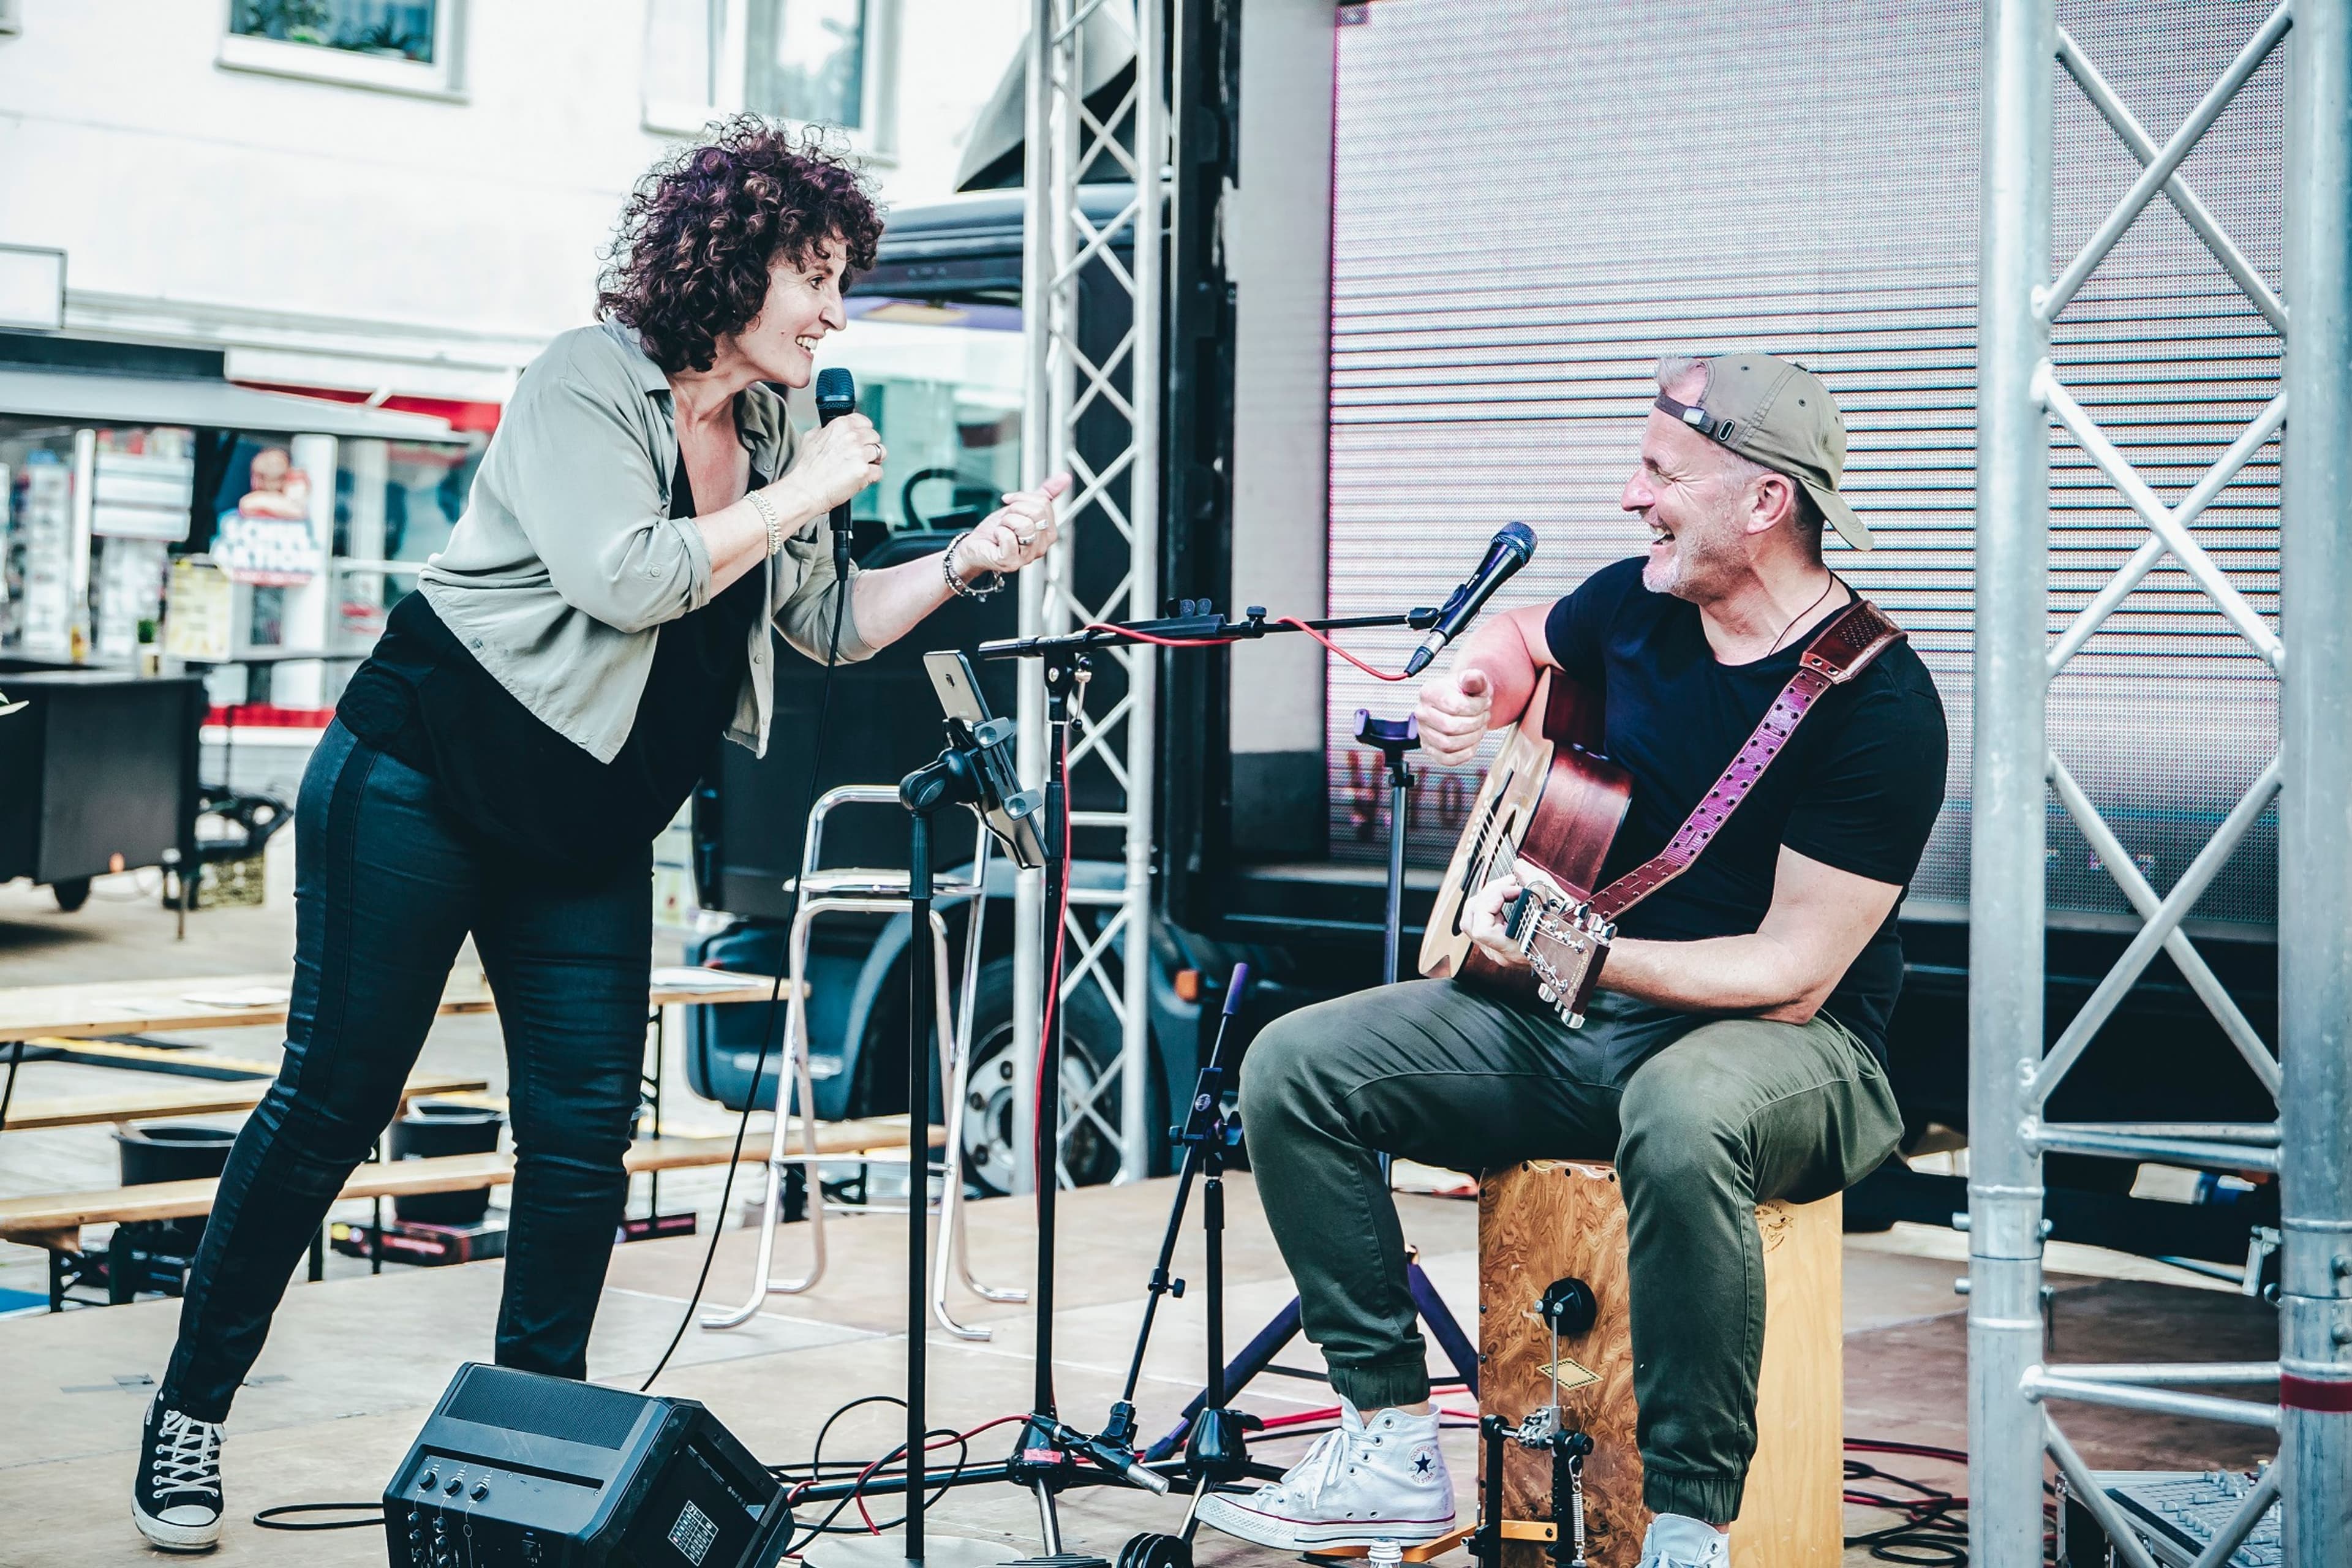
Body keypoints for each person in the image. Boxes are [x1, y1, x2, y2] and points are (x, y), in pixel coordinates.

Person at [131, 118, 1070, 1552]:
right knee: (334, 1102)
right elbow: (626, 578)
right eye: (814, 276)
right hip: (418, 779)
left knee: (581, 1146)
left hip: (582, 827)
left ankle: (530, 1462)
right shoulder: (590, 377)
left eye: (841, 283)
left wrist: (959, 561)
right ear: (725, 264)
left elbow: (823, 621)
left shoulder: (766, 433)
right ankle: (189, 1408)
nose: (834, 311)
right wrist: (811, 488)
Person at [1197, 353, 1947, 1568]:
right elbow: (1522, 639)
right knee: (1295, 1063)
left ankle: (1691, 1526)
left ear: (1763, 502)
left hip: (1795, 1051)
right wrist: (1472, 689)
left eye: (1661, 472)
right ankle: (1387, 1443)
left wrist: (1584, 959)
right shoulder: (1636, 600)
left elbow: (1795, 969)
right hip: (1585, 1013)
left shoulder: (1879, 701)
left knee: (1684, 1109)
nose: (1629, 495)